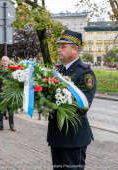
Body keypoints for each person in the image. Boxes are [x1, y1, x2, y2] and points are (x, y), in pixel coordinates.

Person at [47, 30, 96, 170]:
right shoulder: (58, 71)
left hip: (74, 138)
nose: (59, 49)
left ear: (75, 49)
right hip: (56, 136)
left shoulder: (85, 73)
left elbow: (83, 106)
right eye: (58, 46)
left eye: (63, 46)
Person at [0, 56, 15, 132]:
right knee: (0, 110)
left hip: (9, 94)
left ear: (8, 62)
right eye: (3, 61)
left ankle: (12, 126)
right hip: (0, 93)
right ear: (1, 62)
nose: (5, 62)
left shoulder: (13, 71)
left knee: (11, 110)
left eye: (6, 61)